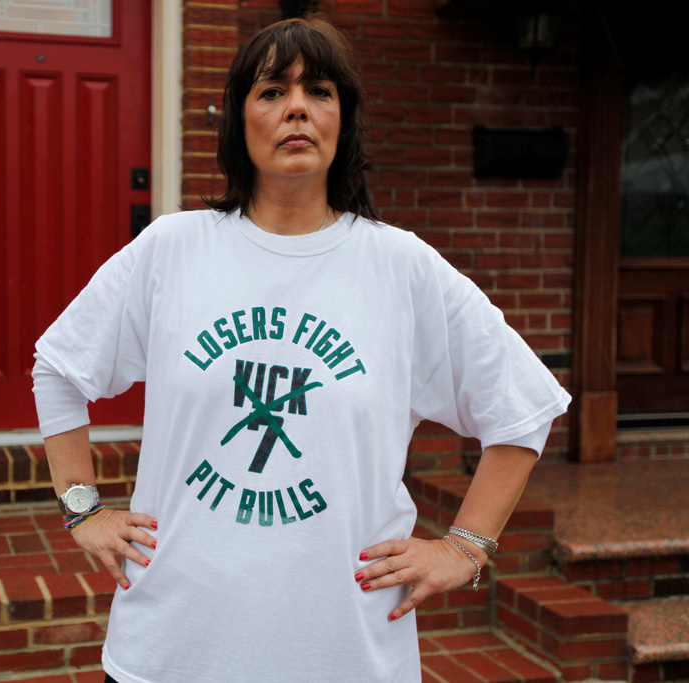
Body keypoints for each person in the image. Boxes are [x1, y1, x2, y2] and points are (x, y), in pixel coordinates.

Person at [32, 17, 570, 683]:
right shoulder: (173, 249)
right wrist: (82, 505)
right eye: (270, 91)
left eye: (318, 90)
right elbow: (59, 366)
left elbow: (522, 407)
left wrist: (466, 544)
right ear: (238, 119)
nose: (296, 108)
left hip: (345, 651)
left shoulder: (399, 267)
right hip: (171, 646)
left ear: (343, 119)